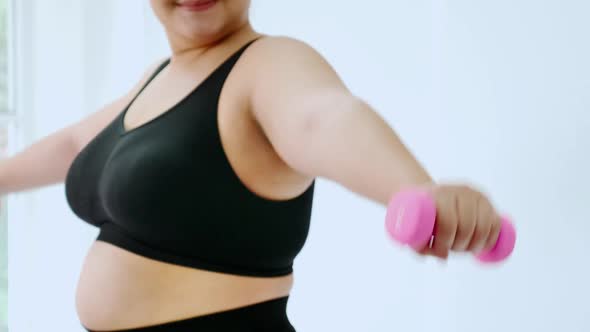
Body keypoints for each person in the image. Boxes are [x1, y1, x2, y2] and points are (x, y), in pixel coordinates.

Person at [0, 0, 504, 331]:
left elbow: (322, 118)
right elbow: (74, 146)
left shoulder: (268, 64)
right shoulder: (157, 77)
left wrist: (414, 188)